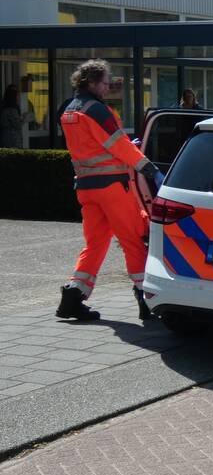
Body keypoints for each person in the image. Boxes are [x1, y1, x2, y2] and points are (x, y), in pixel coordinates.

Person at [57, 59, 164, 322]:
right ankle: (145, 300)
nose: (108, 87)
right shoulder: (98, 110)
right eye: (105, 82)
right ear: (91, 82)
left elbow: (93, 147)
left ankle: (73, 297)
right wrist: (149, 168)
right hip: (112, 187)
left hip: (86, 187)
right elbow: (118, 145)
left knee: (95, 243)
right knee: (132, 240)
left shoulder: (68, 110)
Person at [1, 84, 24, 148]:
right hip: (12, 139)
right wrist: (24, 118)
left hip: (6, 137)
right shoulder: (12, 109)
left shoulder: (3, 107)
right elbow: (17, 124)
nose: (18, 97)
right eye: (17, 95)